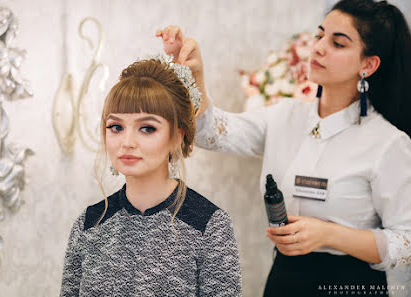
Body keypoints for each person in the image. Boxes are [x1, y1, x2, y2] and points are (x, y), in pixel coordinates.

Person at [156, 0, 411, 296]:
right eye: (319, 36)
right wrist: (195, 76)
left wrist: (329, 234)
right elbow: (212, 134)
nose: (318, 48)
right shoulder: (284, 115)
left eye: (338, 43)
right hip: (284, 280)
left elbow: (406, 243)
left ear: (368, 65)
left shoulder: (388, 143)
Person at [59, 57, 242, 296]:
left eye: (147, 128)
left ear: (177, 136)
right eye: (116, 127)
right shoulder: (88, 224)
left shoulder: (209, 226)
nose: (127, 142)